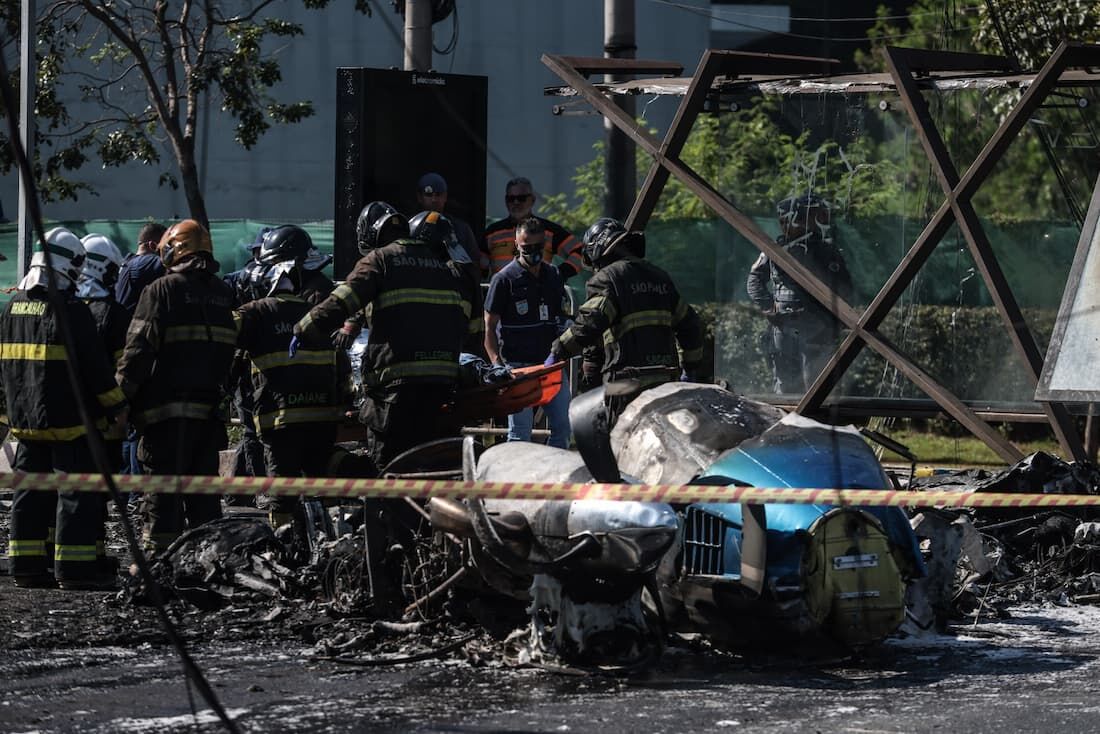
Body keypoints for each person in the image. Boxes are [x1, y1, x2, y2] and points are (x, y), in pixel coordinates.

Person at [294, 203, 482, 468]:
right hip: (439, 384)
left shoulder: (380, 259)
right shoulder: (445, 267)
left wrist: (306, 327)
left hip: (395, 386)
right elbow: (466, 327)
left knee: (389, 465)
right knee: (425, 462)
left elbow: (345, 298)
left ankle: (386, 509)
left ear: (371, 235)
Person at [1, 227, 128, 590]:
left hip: (26, 424)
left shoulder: (12, 307)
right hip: (70, 423)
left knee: (29, 492)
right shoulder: (72, 311)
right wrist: (116, 407)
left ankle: (25, 567)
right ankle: (75, 570)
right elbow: (96, 371)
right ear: (70, 266)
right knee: (76, 494)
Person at [115, 219, 237, 553]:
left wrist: (118, 402)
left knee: (162, 498)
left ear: (174, 249)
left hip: (163, 418)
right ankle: (209, 565)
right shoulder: (222, 293)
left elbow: (137, 351)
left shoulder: (161, 290)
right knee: (204, 499)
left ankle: (159, 568)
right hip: (209, 418)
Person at [235, 225, 350, 531]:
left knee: (281, 497)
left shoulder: (254, 313)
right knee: (323, 489)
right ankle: (332, 548)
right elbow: (342, 364)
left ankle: (284, 549)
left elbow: (222, 346)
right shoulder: (317, 312)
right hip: (322, 419)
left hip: (280, 422)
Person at [546, 218, 704, 423]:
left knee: (620, 442)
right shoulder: (660, 277)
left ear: (596, 251)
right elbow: (690, 325)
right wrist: (689, 369)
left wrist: (557, 351)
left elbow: (589, 325)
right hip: (665, 381)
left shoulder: (607, 279)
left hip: (625, 382)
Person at [746, 194, 853, 395]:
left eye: (791, 219)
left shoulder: (825, 251)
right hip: (783, 327)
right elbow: (754, 280)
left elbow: (844, 290)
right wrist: (769, 306)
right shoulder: (775, 250)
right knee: (784, 384)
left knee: (814, 383)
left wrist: (835, 322)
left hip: (816, 328)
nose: (785, 224)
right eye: (783, 220)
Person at [484, 217, 571, 448]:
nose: (531, 252)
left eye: (536, 247)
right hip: (519, 369)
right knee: (520, 434)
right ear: (516, 243)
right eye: (525, 247)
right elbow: (489, 328)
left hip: (550, 365)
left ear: (544, 245)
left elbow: (560, 315)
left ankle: (555, 480)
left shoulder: (553, 276)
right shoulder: (503, 280)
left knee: (563, 428)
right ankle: (516, 484)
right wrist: (497, 365)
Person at [77, 233, 131, 573]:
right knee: (96, 494)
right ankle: (92, 554)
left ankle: (66, 551)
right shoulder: (111, 313)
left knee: (67, 492)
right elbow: (118, 371)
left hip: (65, 419)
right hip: (105, 420)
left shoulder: (65, 308)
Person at [483, 177, 582, 280]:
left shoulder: (548, 230)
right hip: (502, 291)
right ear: (505, 201)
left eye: (521, 198)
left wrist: (559, 273)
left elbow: (580, 251)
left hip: (539, 291)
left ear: (533, 200)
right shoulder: (492, 233)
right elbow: (479, 265)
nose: (516, 202)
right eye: (511, 199)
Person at [416, 172, 487, 278]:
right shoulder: (409, 226)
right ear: (419, 197)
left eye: (438, 194)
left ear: (445, 197)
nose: (434, 200)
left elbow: (474, 266)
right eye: (429, 195)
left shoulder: (461, 228)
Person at [115, 221, 166, 312]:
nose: (165, 251)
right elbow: (171, 260)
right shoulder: (141, 263)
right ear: (153, 246)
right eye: (164, 247)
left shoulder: (129, 261)